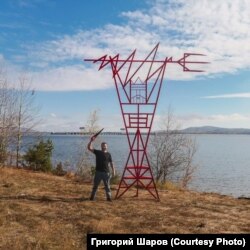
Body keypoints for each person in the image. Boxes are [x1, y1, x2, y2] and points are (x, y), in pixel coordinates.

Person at [87, 136, 115, 201]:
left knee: (107, 186)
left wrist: (114, 171)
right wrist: (91, 141)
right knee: (95, 186)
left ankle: (109, 198)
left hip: (106, 173)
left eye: (105, 146)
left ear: (107, 146)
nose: (104, 147)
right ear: (101, 146)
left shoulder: (109, 154)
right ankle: (92, 198)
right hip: (98, 172)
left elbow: (111, 163)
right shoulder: (98, 152)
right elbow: (89, 148)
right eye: (102, 146)